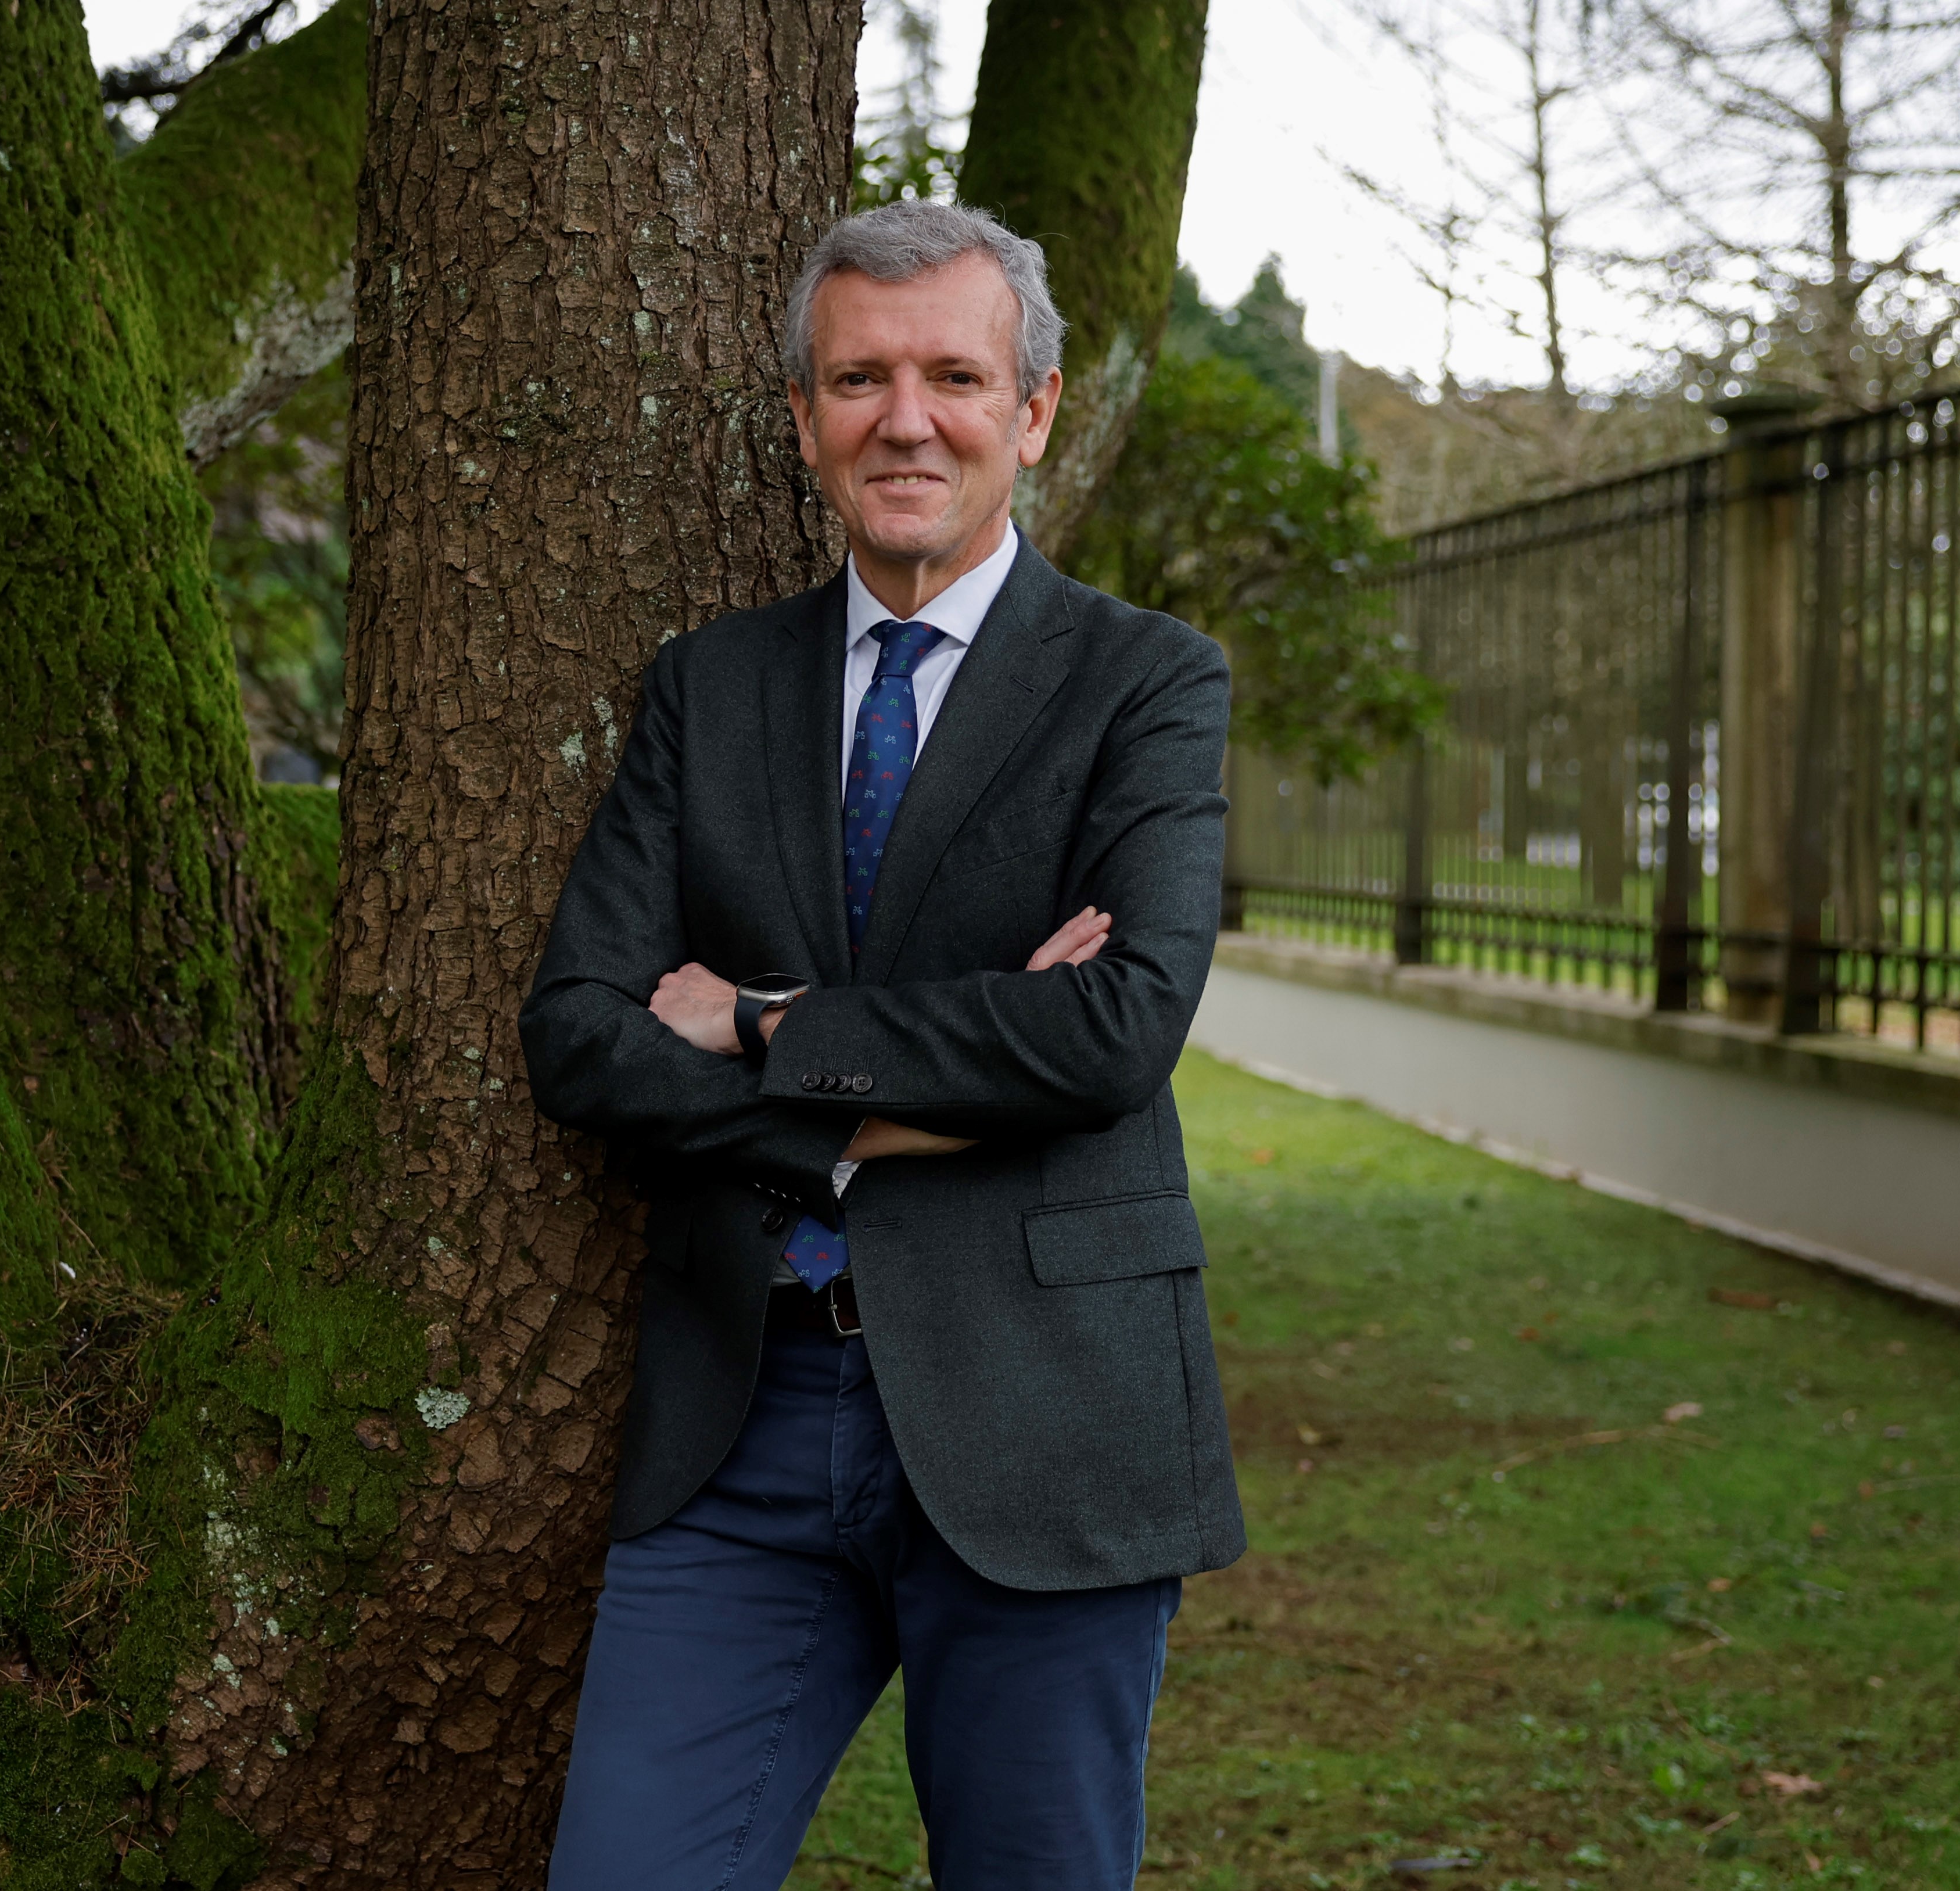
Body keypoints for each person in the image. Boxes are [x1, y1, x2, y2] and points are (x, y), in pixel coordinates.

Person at [515, 199, 1245, 1890]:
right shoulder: (710, 688)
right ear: (801, 418)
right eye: (856, 379)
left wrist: (755, 1026)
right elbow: (582, 1038)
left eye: (952, 376)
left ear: (1034, 408)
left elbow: (1111, 1039)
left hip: (1043, 1417)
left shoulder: (1146, 684)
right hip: (747, 1419)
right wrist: (887, 1109)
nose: (903, 419)